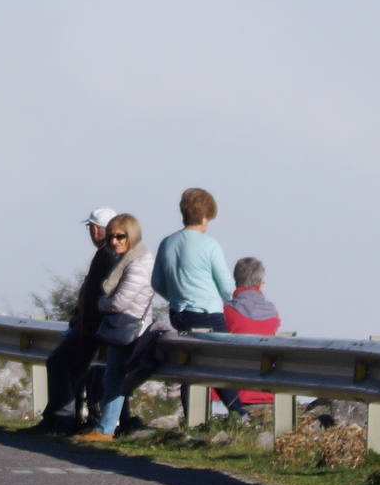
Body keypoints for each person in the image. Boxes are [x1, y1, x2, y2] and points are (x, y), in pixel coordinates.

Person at [150, 187, 246, 418]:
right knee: (219, 364)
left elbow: (156, 282)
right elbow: (227, 287)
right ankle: (239, 414)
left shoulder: (167, 243)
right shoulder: (209, 244)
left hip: (179, 313)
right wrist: (227, 298)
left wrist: (176, 297)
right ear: (205, 217)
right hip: (208, 314)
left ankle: (192, 417)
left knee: (190, 363)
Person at [32, 207, 118, 434]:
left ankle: (62, 419)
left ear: (100, 230)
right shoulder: (111, 253)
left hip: (92, 327)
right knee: (77, 369)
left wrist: (84, 321)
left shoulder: (107, 254)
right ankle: (65, 418)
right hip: (94, 325)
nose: (91, 232)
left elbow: (97, 294)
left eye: (92, 228)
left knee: (59, 363)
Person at [74, 214, 155, 442]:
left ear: (132, 235)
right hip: (123, 325)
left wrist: (101, 303)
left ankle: (107, 427)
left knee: (115, 378)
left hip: (129, 327)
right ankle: (107, 426)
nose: (115, 242)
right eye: (111, 237)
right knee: (113, 377)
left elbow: (120, 301)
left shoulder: (139, 262)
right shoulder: (129, 259)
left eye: (120, 237)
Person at [221, 256, 282, 408]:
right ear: (260, 283)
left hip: (233, 392)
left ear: (235, 280)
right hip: (266, 390)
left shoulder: (225, 311)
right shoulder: (273, 313)